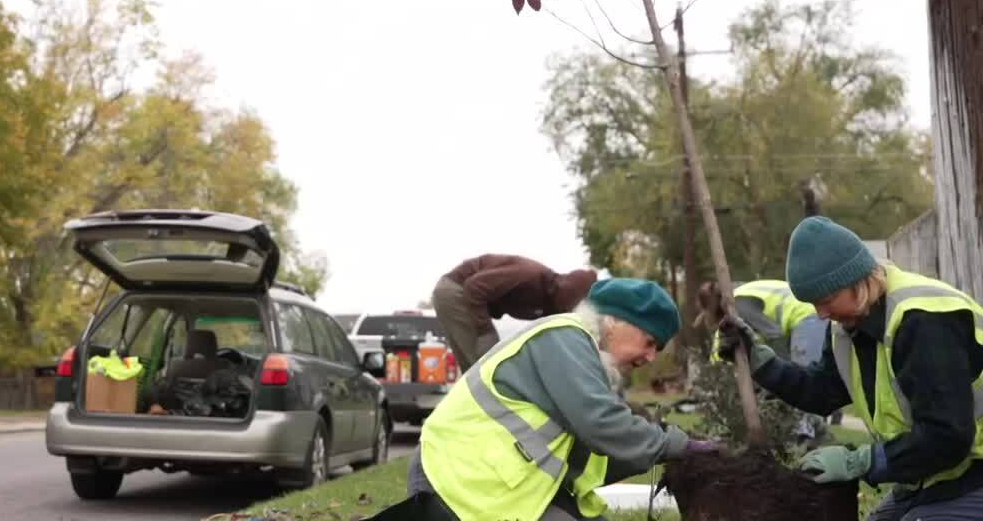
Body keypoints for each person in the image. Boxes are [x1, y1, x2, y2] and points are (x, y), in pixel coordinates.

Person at [383, 278, 717, 521]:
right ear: (615, 321)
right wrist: (678, 445)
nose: (650, 357)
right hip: (457, 480)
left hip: (499, 484)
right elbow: (601, 424)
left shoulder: (585, 364)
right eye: (649, 341)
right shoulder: (564, 339)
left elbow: (594, 457)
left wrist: (661, 448)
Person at [720, 217, 983, 520]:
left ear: (855, 281)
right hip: (933, 477)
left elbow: (948, 436)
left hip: (972, 475)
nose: (819, 314)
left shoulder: (922, 320)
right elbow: (821, 392)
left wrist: (862, 461)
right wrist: (761, 363)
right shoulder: (848, 327)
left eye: (826, 300)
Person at [705, 278, 832, 441]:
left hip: (807, 315)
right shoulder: (743, 297)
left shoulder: (736, 304)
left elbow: (774, 334)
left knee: (802, 382)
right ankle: (817, 436)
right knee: (804, 384)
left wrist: (781, 371)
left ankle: (804, 437)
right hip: (809, 313)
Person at [432, 254, 598, 370]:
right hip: (456, 291)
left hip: (461, 296)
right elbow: (474, 287)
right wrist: (485, 331)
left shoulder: (551, 304)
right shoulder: (529, 274)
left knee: (475, 368)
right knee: (485, 367)